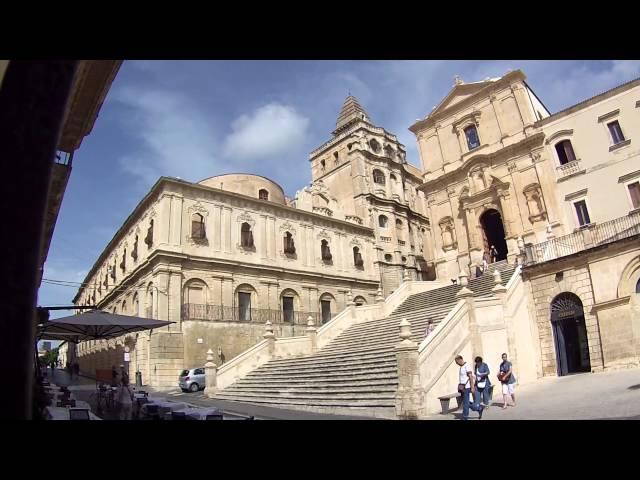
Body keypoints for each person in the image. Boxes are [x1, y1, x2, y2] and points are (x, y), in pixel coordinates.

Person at [454, 355, 484, 420]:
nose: (456, 363)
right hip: (462, 388)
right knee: (466, 402)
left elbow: (470, 377)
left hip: (466, 388)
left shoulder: (466, 366)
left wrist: (472, 387)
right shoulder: (461, 367)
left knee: (465, 404)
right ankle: (479, 408)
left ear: (460, 360)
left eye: (457, 362)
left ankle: (465, 417)